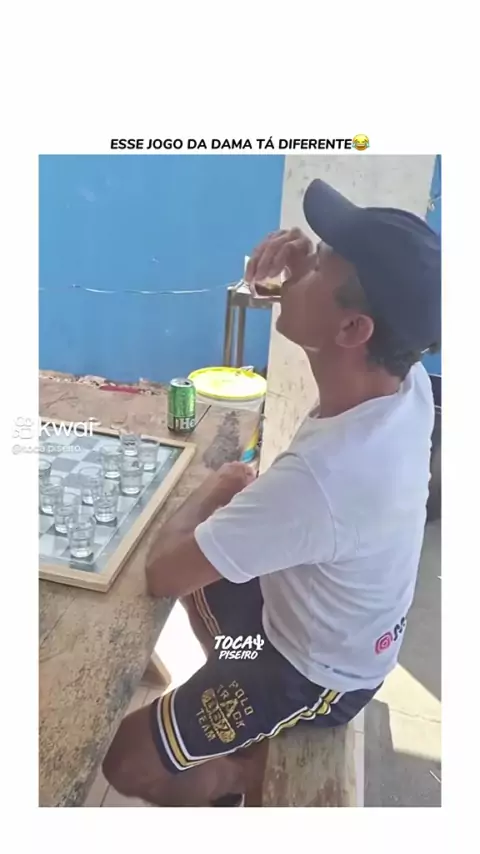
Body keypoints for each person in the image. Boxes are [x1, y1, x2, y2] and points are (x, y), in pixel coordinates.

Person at [102, 178, 441, 806]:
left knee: (126, 761)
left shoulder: (325, 480)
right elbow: (336, 315)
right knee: (214, 562)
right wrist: (292, 282)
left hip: (316, 675)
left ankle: (240, 777)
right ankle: (231, 691)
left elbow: (164, 573)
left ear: (353, 328)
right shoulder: (405, 380)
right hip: (310, 615)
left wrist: (215, 486)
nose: (301, 259)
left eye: (319, 261)